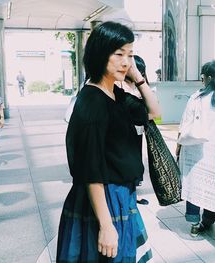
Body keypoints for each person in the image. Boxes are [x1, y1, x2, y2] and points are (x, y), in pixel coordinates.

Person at [56, 21, 161, 262]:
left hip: (121, 195)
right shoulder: (92, 103)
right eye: (119, 54)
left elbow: (154, 112)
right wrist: (105, 225)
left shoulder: (115, 93)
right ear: (100, 54)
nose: (125, 62)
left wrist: (139, 78)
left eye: (130, 55)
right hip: (105, 198)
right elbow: (90, 169)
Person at [176, 60, 215, 237]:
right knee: (213, 188)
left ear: (208, 77)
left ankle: (194, 222)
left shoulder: (198, 97)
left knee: (194, 184)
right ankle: (208, 220)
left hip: (196, 150)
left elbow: (184, 124)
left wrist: (178, 147)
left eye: (203, 77)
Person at [118, 55, 150, 206]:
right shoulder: (120, 86)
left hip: (138, 132)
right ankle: (129, 195)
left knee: (136, 161)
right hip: (124, 133)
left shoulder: (140, 86)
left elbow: (154, 111)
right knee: (128, 162)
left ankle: (133, 193)